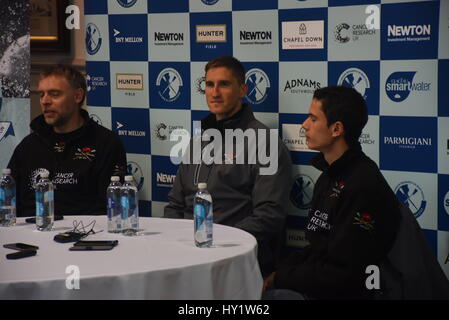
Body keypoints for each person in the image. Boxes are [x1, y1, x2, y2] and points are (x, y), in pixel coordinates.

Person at [263, 85, 400, 300]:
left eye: (313, 119)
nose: (304, 125)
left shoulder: (363, 185)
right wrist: (278, 273)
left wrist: (282, 278)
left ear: (336, 129)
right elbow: (318, 249)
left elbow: (343, 273)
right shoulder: (330, 174)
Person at [164, 56, 293, 277]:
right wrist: (176, 243)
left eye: (224, 84)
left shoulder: (265, 142)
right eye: (209, 84)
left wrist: (216, 238)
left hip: (233, 258)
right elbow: (175, 205)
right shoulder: (199, 140)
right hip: (185, 254)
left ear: (242, 90)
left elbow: (270, 214)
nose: (215, 93)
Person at [7, 65, 127, 217]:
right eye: (41, 94)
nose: (45, 101)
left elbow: (113, 208)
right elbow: (7, 199)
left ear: (77, 96)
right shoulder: (29, 145)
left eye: (54, 94)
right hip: (29, 231)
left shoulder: (106, 143)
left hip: (85, 232)